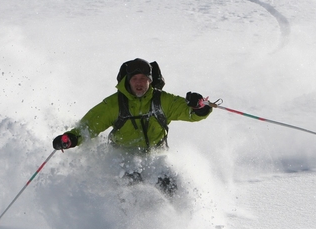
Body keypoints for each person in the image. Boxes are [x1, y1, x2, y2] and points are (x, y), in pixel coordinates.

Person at [52, 58, 213, 194]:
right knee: (133, 185)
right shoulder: (114, 104)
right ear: (127, 81)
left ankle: (180, 224)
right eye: (135, 79)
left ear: (150, 80)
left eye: (143, 79)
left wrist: (200, 106)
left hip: (157, 158)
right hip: (124, 160)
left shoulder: (162, 101)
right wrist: (71, 138)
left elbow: (190, 113)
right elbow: (89, 126)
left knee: (171, 186)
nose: (139, 83)